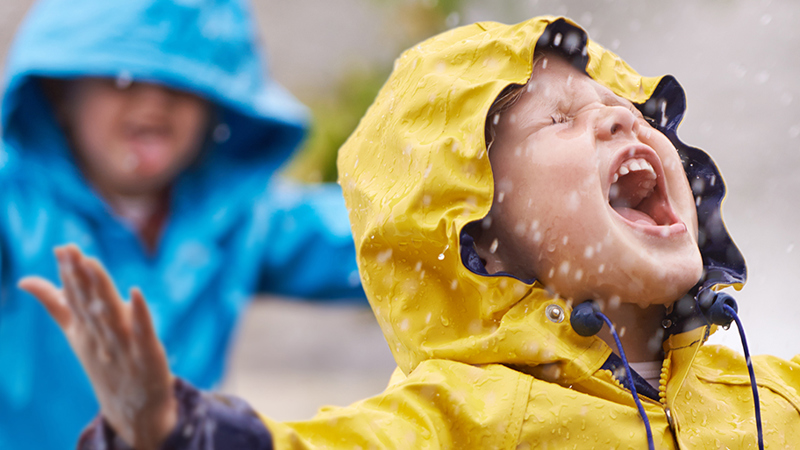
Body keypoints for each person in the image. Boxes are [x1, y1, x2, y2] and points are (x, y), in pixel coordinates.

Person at [21, 15, 800, 449]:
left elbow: (389, 236)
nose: (615, 114)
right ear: (59, 98)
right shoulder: (472, 420)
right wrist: (168, 431)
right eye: (561, 118)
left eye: (623, 106)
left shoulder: (760, 392)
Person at [0, 0, 363, 448]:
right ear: (60, 96)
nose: (154, 99)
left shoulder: (234, 217)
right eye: (121, 77)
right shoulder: (14, 205)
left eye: (182, 83)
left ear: (218, 104)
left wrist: (465, 214)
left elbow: (370, 238)